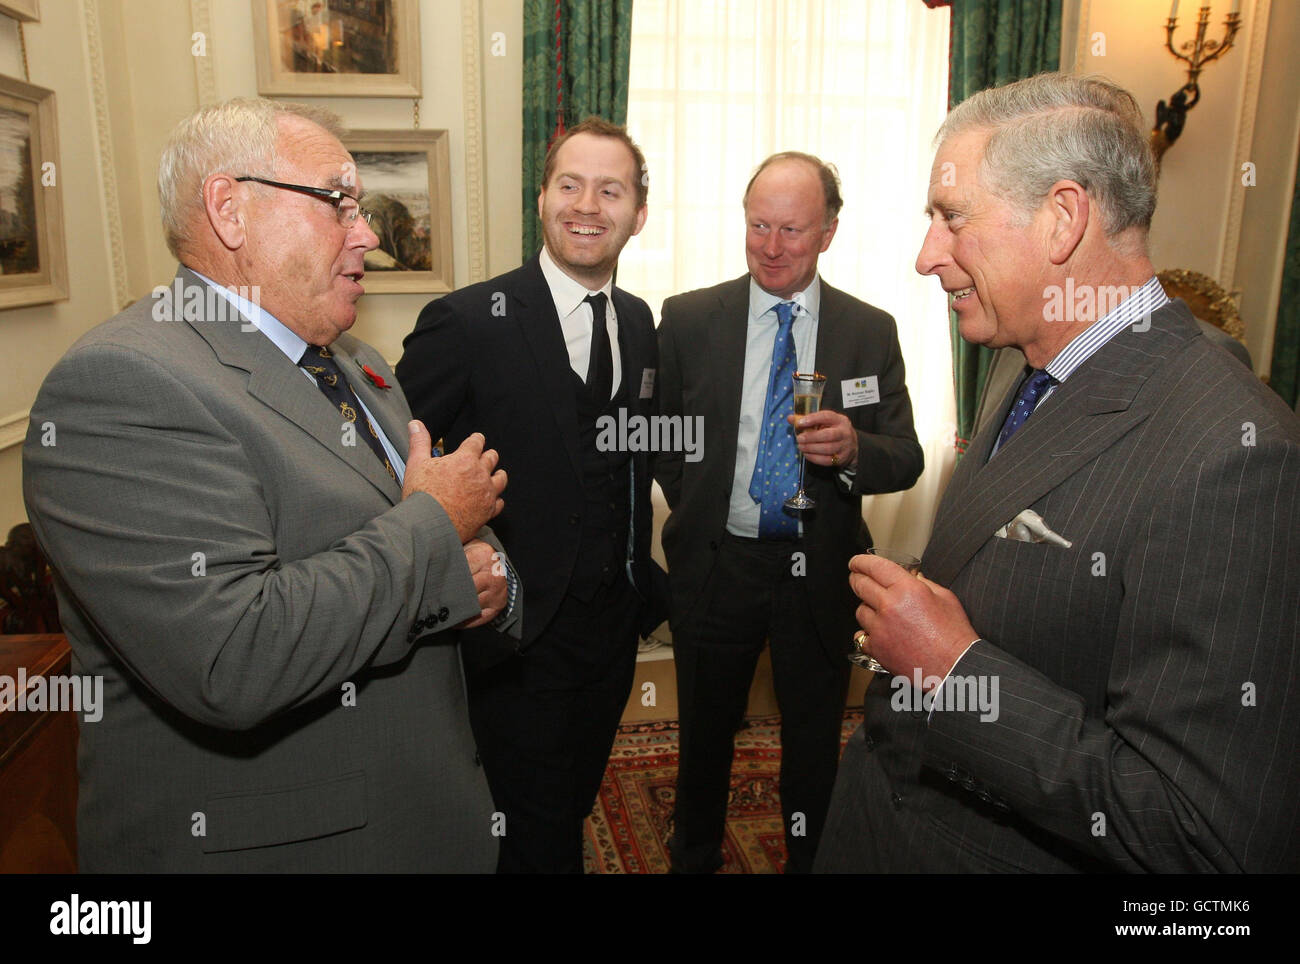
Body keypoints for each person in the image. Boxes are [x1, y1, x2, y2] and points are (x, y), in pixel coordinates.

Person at [817, 73, 1300, 873]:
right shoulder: (1021, 358)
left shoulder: (1238, 456)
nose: (926, 255)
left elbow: (1201, 840)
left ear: (1063, 218)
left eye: (951, 219)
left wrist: (956, 671)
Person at [22, 98, 517, 872]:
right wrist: (437, 519)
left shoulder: (355, 365)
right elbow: (232, 657)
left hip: (416, 811)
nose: (369, 232)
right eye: (337, 202)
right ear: (230, 211)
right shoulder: (122, 385)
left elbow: (439, 541)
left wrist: (494, 581)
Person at [395, 116, 663, 873]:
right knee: (530, 835)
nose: (588, 204)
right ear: (541, 200)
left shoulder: (641, 323)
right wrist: (460, 543)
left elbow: (630, 456)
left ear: (637, 214)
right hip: (515, 636)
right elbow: (391, 456)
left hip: (611, 633)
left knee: (572, 802)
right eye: (569, 184)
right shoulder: (470, 321)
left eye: (610, 190)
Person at [656, 152, 924, 873]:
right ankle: (694, 854)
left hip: (820, 571)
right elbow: (660, 437)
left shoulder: (870, 330)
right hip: (718, 566)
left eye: (793, 232)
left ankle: (811, 859)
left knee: (813, 738)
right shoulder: (687, 318)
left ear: (830, 232)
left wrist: (854, 447)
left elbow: (908, 456)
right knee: (705, 731)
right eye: (758, 227)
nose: (772, 248)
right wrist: (706, 509)